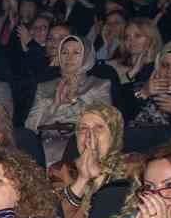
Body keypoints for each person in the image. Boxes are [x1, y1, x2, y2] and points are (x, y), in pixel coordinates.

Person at [47, 105, 143, 218]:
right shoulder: (60, 170)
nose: (89, 135)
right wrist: (82, 179)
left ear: (114, 134)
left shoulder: (134, 166)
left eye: (99, 127)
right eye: (83, 128)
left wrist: (99, 180)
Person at [25, 34, 113, 164]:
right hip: (47, 142)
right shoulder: (45, 86)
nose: (69, 57)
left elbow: (106, 121)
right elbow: (30, 126)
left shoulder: (99, 85)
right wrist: (54, 104)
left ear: (87, 56)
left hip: (82, 142)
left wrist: (75, 99)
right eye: (64, 52)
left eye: (76, 53)